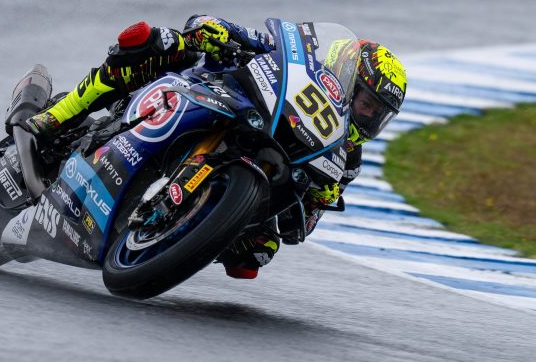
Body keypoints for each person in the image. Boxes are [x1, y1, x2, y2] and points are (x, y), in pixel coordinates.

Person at [22, 15, 408, 279]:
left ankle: (177, 232)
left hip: (261, 168)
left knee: (254, 257)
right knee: (153, 42)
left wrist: (315, 200)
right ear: (345, 73)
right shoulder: (297, 60)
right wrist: (215, 31)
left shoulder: (346, 159)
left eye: (378, 114)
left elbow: (300, 227)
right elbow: (215, 26)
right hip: (210, 92)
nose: (368, 117)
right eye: (366, 103)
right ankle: (56, 115)